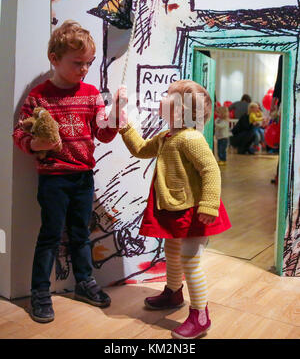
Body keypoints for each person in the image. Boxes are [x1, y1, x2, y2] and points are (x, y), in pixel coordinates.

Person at [13, 20, 124, 323]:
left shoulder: (90, 93)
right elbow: (19, 134)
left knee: (80, 234)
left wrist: (114, 118)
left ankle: (85, 283)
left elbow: (102, 133)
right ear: (54, 58)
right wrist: (35, 143)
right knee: (49, 235)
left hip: (84, 177)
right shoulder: (39, 96)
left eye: (89, 63)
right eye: (77, 63)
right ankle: (39, 291)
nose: (84, 70)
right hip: (53, 178)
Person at [118, 79, 231, 339]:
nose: (161, 99)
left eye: (168, 96)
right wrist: (125, 126)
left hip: (196, 209)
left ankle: (200, 314)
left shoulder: (191, 138)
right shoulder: (167, 136)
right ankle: (173, 291)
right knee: (171, 250)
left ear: (181, 110)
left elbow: (211, 170)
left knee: (191, 260)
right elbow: (140, 149)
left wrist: (209, 204)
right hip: (174, 206)